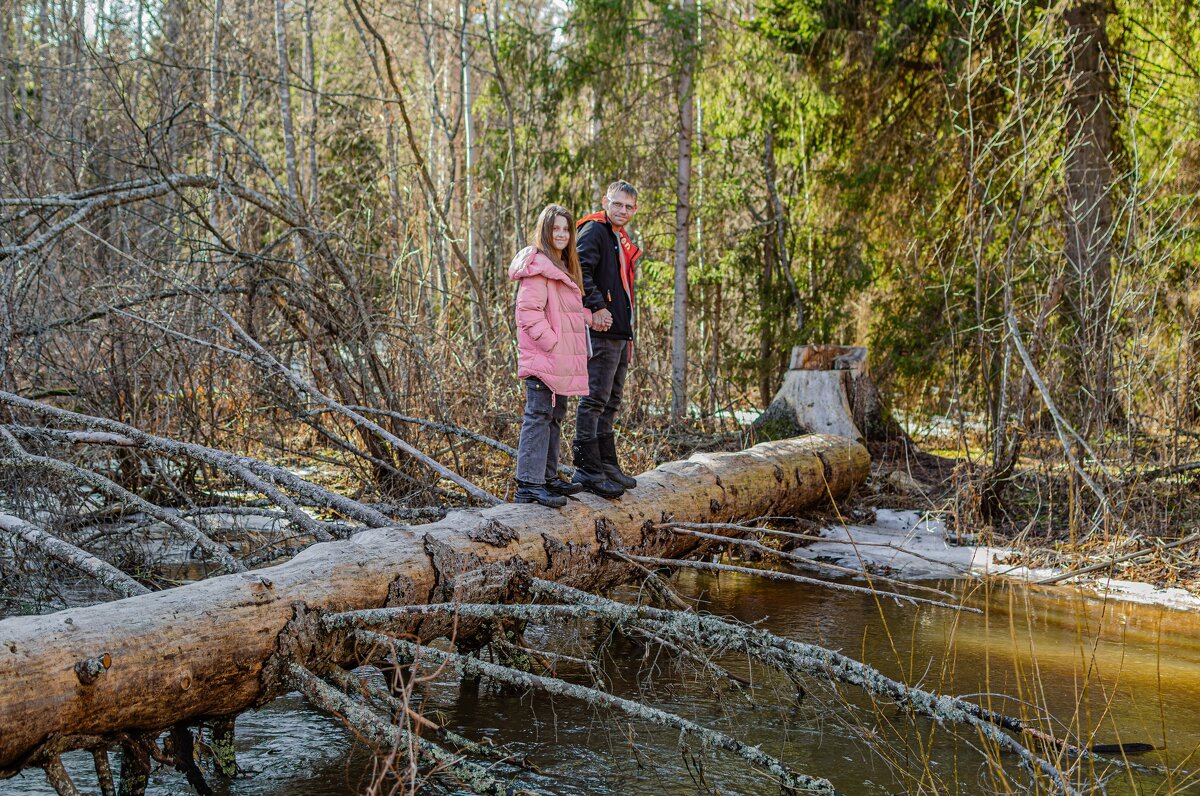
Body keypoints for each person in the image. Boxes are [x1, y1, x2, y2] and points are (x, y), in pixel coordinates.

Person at [509, 204, 607, 508]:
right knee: (538, 417)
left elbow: (565, 311)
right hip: (544, 359)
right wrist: (552, 343)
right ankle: (528, 484)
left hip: (559, 361)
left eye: (566, 229)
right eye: (556, 229)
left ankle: (548, 478)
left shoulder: (562, 266)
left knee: (554, 417)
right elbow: (528, 314)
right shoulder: (538, 266)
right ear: (545, 231)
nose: (562, 234)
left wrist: (589, 318)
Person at [571, 180, 643, 498]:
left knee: (611, 400)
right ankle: (587, 468)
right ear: (605, 202)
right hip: (601, 330)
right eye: (618, 204)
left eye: (629, 207)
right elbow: (580, 270)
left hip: (619, 332)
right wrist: (597, 306)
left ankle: (606, 464)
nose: (623, 211)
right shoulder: (595, 231)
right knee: (595, 399)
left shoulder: (618, 237)